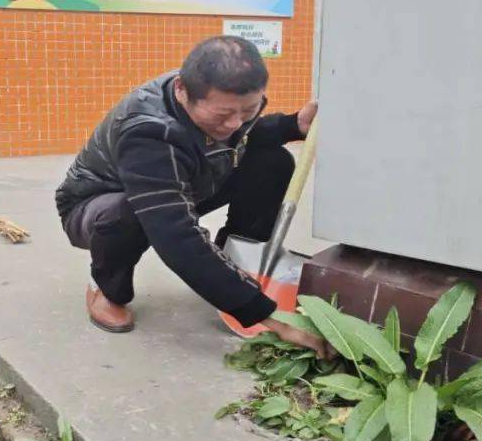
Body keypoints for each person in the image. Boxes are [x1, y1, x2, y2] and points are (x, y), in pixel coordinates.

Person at [55, 35, 329, 356]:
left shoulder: (221, 99)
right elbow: (176, 235)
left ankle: (236, 264)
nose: (235, 123)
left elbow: (246, 135)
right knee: (129, 213)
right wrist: (271, 318)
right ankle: (106, 287)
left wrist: (292, 125)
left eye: (249, 109)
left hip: (190, 181)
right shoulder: (148, 131)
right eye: (223, 115)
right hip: (97, 205)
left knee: (274, 161)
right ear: (183, 90)